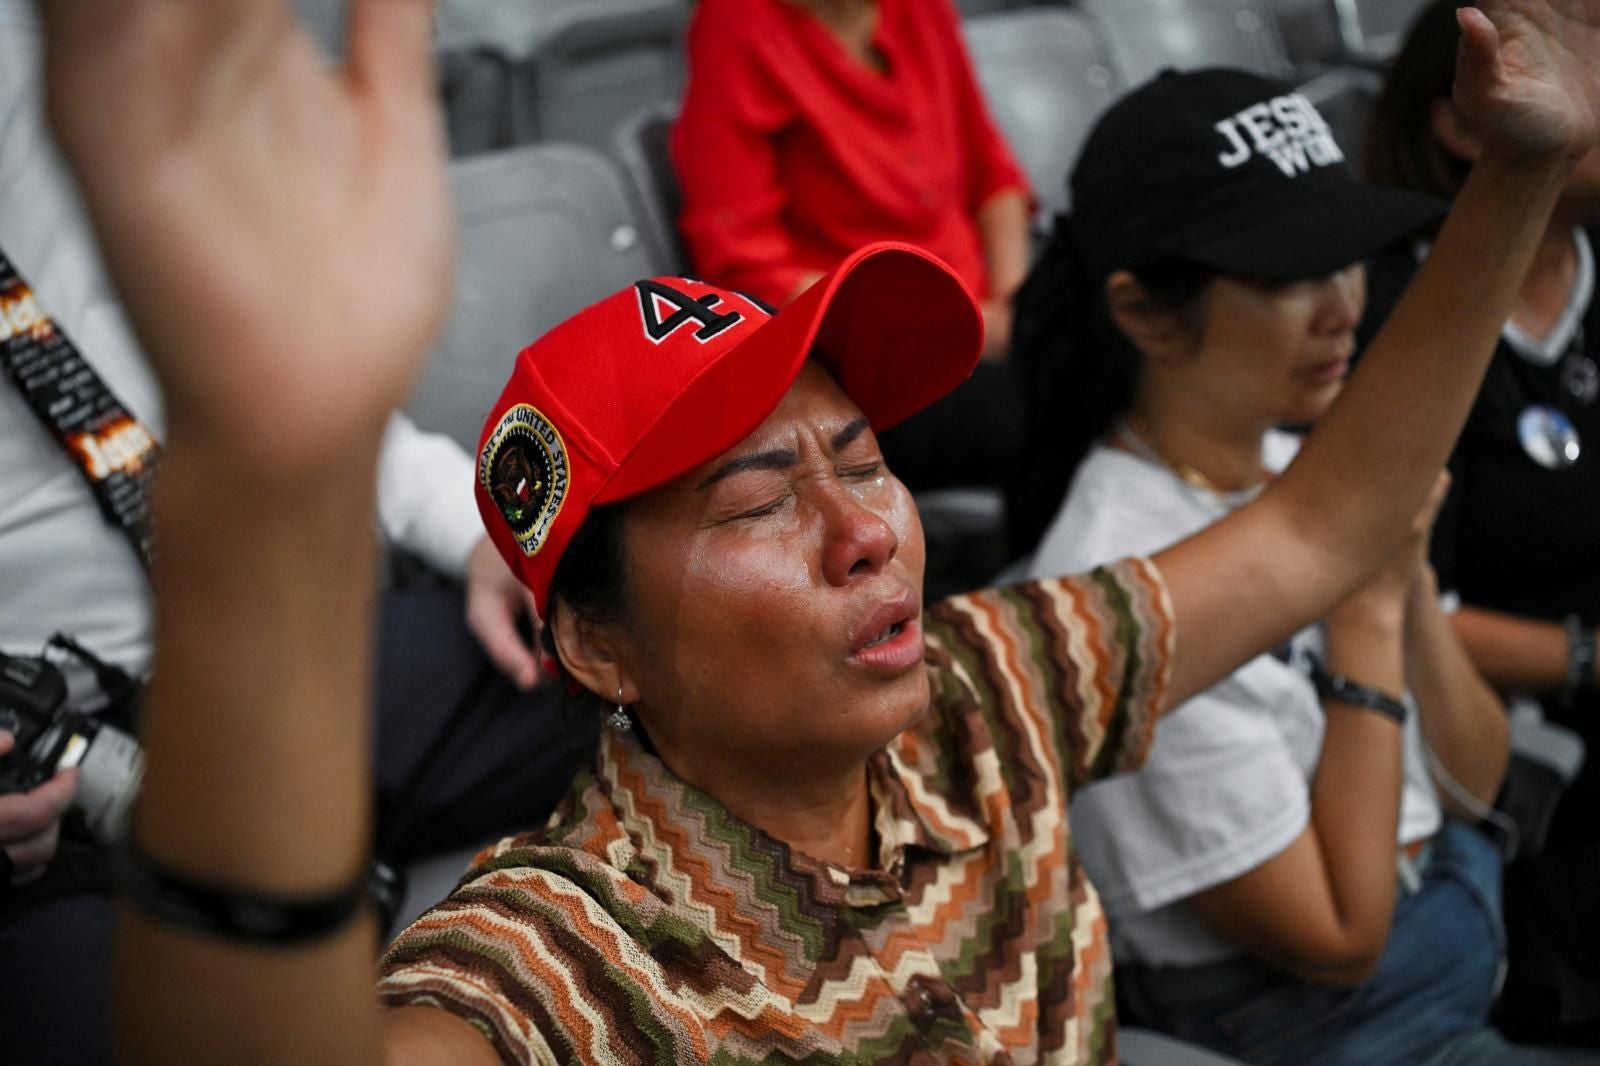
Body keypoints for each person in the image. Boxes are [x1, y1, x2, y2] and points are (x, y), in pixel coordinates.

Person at [34, 0, 1600, 1063]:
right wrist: (267, 492)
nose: (872, 533)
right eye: (761, 501)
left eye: (863, 456)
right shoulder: (565, 953)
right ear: (593, 639)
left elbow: (1329, 521)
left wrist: (1518, 174)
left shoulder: (988, 696)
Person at [0, 3, 589, 1062]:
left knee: (638, 641)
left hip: (288, 620)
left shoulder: (69, 47)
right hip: (44, 782)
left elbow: (264, 356)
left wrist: (474, 526)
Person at [1008, 66, 1561, 1065]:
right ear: (1140, 311)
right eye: (1287, 273)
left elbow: (1474, 780)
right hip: (1346, 1027)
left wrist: (1397, 585)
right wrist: (1367, 609)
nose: (1342, 307)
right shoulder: (1115, 590)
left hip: (1458, 941)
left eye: (1347, 259)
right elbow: (1341, 942)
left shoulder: (1294, 465)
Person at [1359, 0, 1600, 1043]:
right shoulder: (1396, 316)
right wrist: (1585, 655)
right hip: (1511, 729)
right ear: (1464, 120)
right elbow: (1392, 595)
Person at [671, 0, 1031, 492]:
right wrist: (972, 327)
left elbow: (995, 173)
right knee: (1051, 410)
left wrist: (1021, 300)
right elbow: (745, 269)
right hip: (864, 357)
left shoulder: (923, 10)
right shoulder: (737, 25)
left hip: (985, 317)